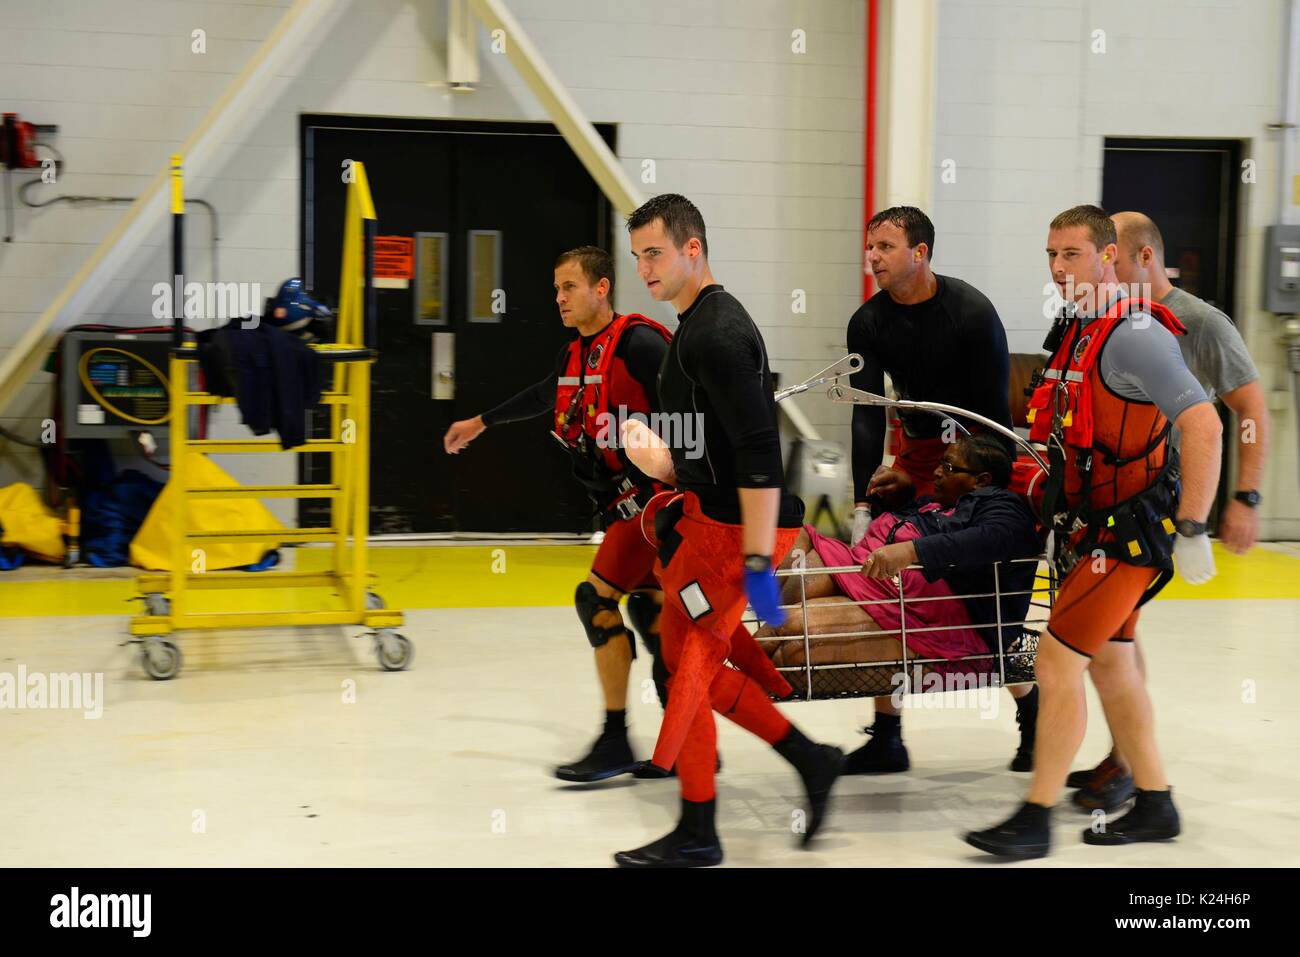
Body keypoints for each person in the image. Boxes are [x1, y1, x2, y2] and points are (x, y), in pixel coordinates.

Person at [965, 205, 1222, 859]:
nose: (1057, 266)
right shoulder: (1081, 329)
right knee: (1112, 665)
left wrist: (1193, 526)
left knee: (1056, 662)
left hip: (1127, 538)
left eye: (1072, 253)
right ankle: (1158, 802)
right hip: (1089, 530)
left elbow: (1205, 425)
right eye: (1051, 253)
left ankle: (1035, 816)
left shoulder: (1136, 334)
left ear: (1109, 257)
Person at [613, 194, 844, 868]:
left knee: (691, 665)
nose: (645, 268)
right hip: (713, 518)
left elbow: (759, 452)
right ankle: (805, 759)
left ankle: (700, 828)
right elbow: (716, 442)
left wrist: (755, 560)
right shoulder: (694, 325)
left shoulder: (715, 332)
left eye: (654, 252)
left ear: (693, 248)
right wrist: (664, 457)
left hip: (734, 531)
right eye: (637, 257)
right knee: (691, 661)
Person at [1061, 212, 1275, 811]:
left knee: (1104, 646)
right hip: (1120, 505)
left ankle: (1134, 772)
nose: (1102, 273)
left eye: (1114, 263)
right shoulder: (1108, 322)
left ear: (1143, 259)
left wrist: (1242, 498)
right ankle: (1130, 765)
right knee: (1115, 645)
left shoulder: (1201, 324)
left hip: (1160, 510)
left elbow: (1251, 411)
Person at [443, 246, 673, 783]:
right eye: (555, 289)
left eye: (569, 287)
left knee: (595, 599)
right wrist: (482, 421)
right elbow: (549, 394)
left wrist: (687, 477)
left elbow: (691, 406)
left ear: (601, 288)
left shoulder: (639, 343)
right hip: (623, 511)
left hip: (652, 510)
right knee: (653, 615)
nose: (559, 299)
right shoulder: (576, 353)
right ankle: (686, 743)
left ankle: (619, 740)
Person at [757, 434, 1042, 767]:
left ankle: (716, 683)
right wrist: (901, 498)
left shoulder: (1000, 504)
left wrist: (912, 550)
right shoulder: (936, 504)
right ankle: (720, 671)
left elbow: (995, 537)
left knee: (790, 638)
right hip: (878, 583)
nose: (936, 472)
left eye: (948, 466)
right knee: (796, 539)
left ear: (981, 480)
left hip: (930, 614)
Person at [847, 206, 1014, 539]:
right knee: (882, 525)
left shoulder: (972, 312)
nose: (873, 257)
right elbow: (867, 413)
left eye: (885, 247)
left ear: (919, 252)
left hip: (968, 452)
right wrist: (862, 506)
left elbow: (995, 409)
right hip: (915, 452)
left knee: (952, 536)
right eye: (870, 247)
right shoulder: (866, 322)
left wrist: (997, 491)